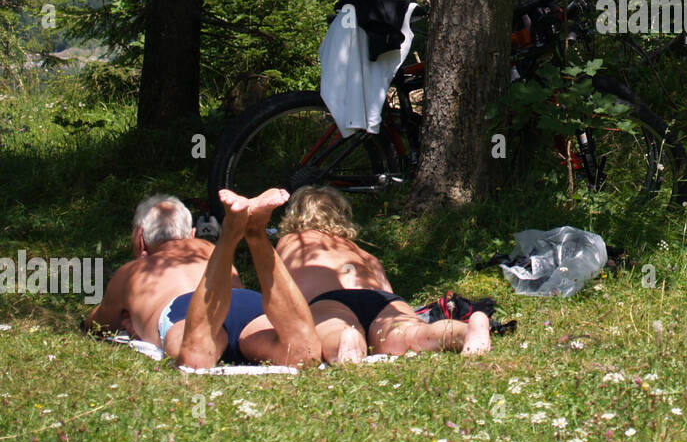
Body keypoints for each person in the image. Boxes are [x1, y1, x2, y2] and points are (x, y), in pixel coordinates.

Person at [87, 189, 365, 367]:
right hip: (244, 303)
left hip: (188, 310)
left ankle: (233, 234)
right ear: (192, 234)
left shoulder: (131, 272)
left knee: (195, 359)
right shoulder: (205, 250)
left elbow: (96, 325)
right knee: (303, 353)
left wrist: (128, 318)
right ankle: (255, 236)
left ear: (139, 240)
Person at [274, 185, 490, 357]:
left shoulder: (291, 241)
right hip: (382, 299)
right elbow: (386, 287)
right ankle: (465, 331)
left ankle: (346, 339)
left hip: (329, 300)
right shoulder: (362, 253)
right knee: (412, 333)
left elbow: (280, 288)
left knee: (331, 329)